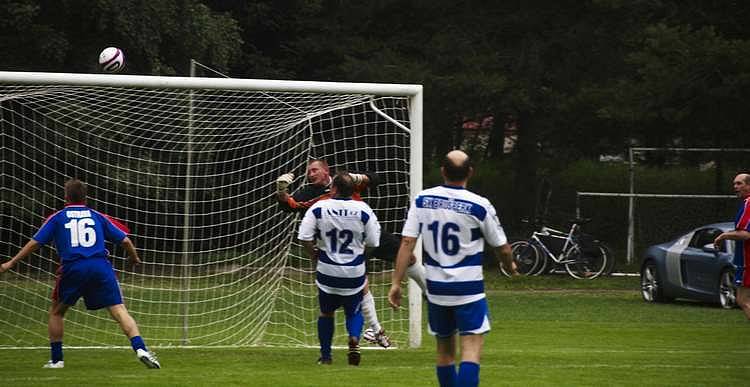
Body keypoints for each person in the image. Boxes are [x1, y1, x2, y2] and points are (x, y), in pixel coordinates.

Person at [0, 179, 160, 369]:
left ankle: (57, 360)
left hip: (73, 268)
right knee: (119, 310)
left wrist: (11, 262)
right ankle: (140, 349)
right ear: (85, 197)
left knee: (57, 312)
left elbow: (36, 242)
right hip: (100, 267)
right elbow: (125, 240)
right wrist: (134, 258)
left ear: (66, 197)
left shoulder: (58, 217)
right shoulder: (97, 216)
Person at [388, 150, 516, 387]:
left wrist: (396, 282)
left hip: (436, 289)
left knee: (444, 352)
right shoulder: (479, 205)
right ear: (470, 172)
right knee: (471, 350)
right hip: (469, 289)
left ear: (443, 172)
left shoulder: (423, 200)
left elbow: (407, 242)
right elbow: (503, 248)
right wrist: (510, 265)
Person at [276, 159, 427, 348]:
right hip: (344, 245)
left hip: (367, 233)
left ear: (326, 171)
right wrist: (281, 191)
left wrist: (361, 177)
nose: (311, 174)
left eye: (314, 170)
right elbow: (289, 205)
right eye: (309, 172)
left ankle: (431, 294)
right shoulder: (309, 194)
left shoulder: (346, 181)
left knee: (409, 258)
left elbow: (374, 179)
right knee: (360, 283)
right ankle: (375, 330)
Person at [297, 172, 381, 365]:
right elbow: (373, 241)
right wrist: (360, 256)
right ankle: (354, 338)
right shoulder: (363, 209)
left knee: (326, 312)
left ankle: (326, 356)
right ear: (353, 190)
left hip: (327, 269)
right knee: (354, 311)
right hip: (353, 271)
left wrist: (314, 254)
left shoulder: (319, 208)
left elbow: (304, 237)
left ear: (333, 188)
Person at [714, 173, 750, 320]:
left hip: (748, 261)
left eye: (739, 183)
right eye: (734, 184)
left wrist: (723, 236)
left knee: (743, 300)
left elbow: (746, 234)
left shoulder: (749, 204)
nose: (735, 187)